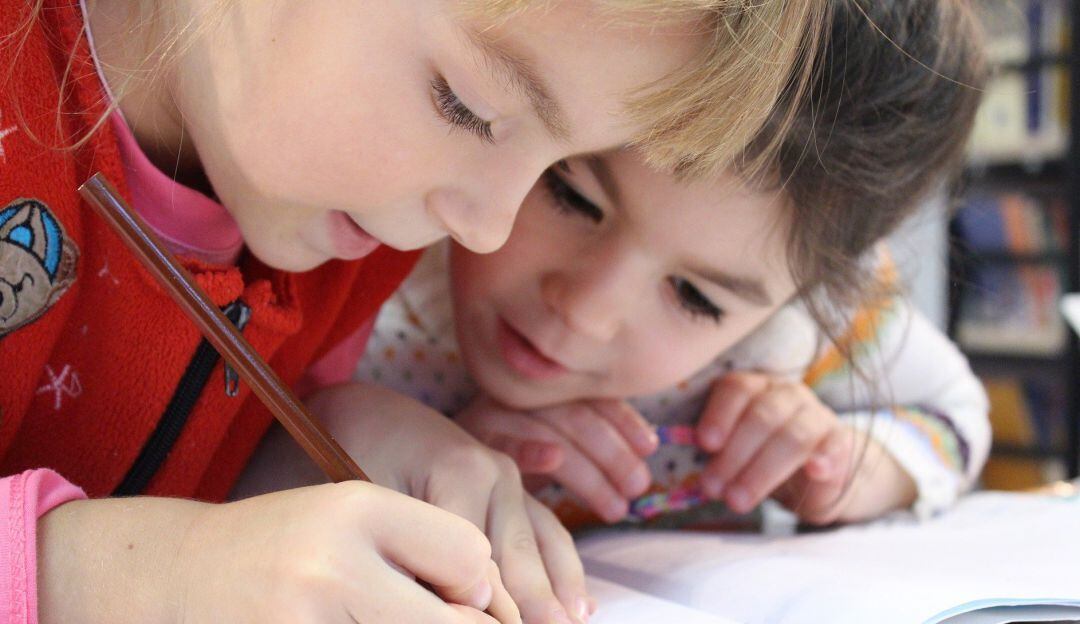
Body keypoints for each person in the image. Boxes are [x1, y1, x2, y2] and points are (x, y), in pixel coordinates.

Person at [0, 1, 827, 623]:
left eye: (560, 160)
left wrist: (315, 451)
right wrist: (121, 576)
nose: (487, 226)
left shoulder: (351, 234)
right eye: (467, 107)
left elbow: (164, 477)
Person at [348, 0, 991, 530]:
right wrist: (409, 454)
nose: (585, 311)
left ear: (807, 295)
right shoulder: (369, 247)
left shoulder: (804, 332)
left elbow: (956, 415)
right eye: (571, 196)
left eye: (694, 297)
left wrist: (852, 466)